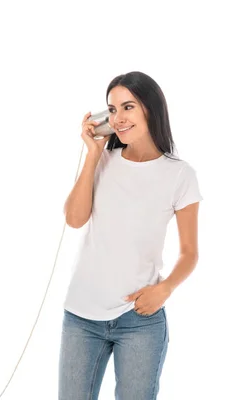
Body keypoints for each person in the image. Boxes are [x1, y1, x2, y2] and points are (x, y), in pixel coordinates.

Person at [59, 71, 202, 399]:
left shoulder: (180, 175)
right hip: (82, 316)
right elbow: (75, 219)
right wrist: (93, 156)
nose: (118, 118)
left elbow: (190, 252)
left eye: (128, 107)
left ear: (150, 109)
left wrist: (164, 288)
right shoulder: (103, 160)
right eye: (111, 110)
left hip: (139, 319)